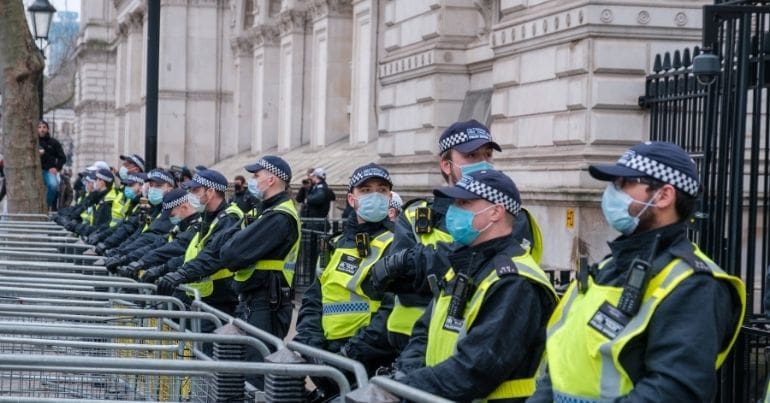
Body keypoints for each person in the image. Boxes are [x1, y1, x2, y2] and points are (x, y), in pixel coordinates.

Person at [527, 141, 746, 402]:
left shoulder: (693, 284)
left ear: (664, 195)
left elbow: (673, 390)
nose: (611, 192)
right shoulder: (607, 267)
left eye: (624, 183)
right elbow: (559, 363)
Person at [342, 119, 543, 367]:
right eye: (471, 155)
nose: (483, 162)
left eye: (487, 155)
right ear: (446, 165)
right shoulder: (416, 214)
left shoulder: (509, 214)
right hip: (409, 344)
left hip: (471, 351)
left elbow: (483, 265)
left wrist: (413, 260)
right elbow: (396, 281)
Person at [393, 170, 557, 401]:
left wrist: (402, 390)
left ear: (495, 212)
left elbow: (476, 369)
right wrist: (404, 380)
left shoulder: (515, 282)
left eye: (464, 203)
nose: (453, 210)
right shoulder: (461, 266)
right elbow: (423, 333)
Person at [294, 163, 395, 400]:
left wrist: (348, 354)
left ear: (390, 197)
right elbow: (313, 299)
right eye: (366, 190)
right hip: (328, 359)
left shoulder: (397, 244)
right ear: (351, 199)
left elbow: (392, 311)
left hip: (368, 361)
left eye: (382, 190)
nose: (375, 195)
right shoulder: (335, 243)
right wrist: (312, 346)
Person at [219, 155, 300, 387]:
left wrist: (233, 244)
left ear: (271, 179)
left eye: (257, 175)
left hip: (266, 303)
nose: (253, 180)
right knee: (246, 370)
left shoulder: (279, 217)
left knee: (255, 376)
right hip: (256, 300)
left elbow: (230, 254)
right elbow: (224, 246)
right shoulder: (266, 212)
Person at [155, 169, 243, 323]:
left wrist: (181, 274)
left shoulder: (229, 218)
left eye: (195, 190)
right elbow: (194, 253)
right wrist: (167, 270)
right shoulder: (208, 219)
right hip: (202, 297)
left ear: (210, 192)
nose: (191, 195)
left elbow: (212, 255)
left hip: (219, 301)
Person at [38, 120, 67, 211]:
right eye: (39, 127)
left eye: (44, 127)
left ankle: (46, 205)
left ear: (47, 129)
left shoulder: (54, 142)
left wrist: (56, 168)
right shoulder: (31, 142)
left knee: (54, 185)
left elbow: (63, 158)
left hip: (48, 171)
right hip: (33, 171)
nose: (42, 129)